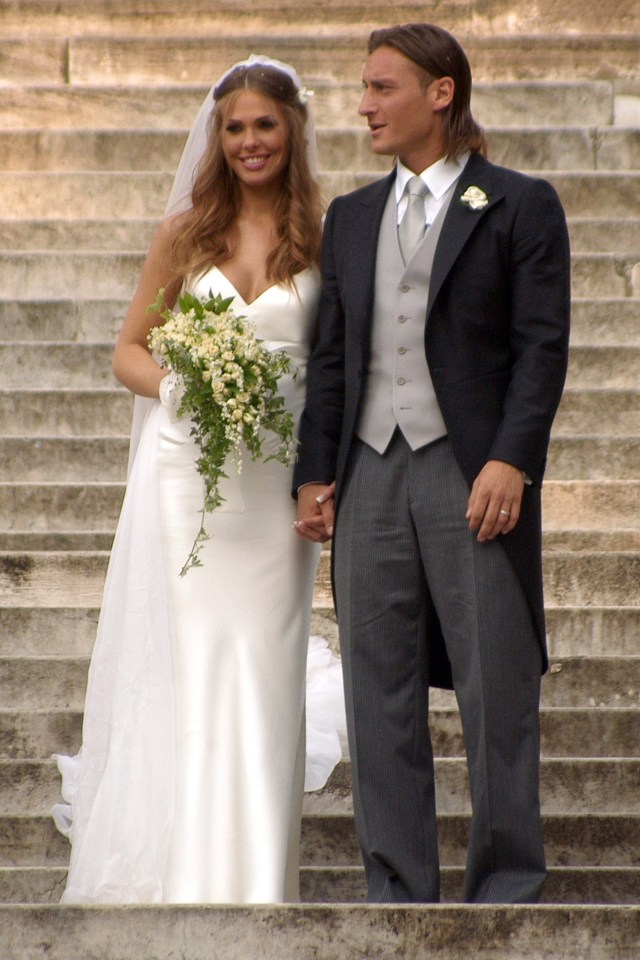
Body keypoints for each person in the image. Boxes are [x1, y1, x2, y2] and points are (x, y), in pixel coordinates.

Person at [52, 55, 346, 904]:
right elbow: (128, 352)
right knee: (197, 667)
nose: (250, 141)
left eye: (264, 124)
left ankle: (258, 880)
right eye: (234, 127)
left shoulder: (327, 234)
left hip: (278, 483)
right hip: (194, 474)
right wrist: (192, 382)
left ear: (292, 129)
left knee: (265, 668)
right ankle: (186, 872)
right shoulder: (188, 233)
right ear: (215, 138)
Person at [294, 23, 571, 904]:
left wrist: (512, 461)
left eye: (382, 88)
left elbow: (541, 348)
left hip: (469, 470)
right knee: (378, 692)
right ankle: (397, 891)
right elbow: (332, 356)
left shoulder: (521, 204)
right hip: (371, 469)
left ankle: (506, 889)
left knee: (496, 687)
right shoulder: (351, 216)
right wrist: (314, 472)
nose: (364, 105)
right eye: (364, 89)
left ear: (440, 92)